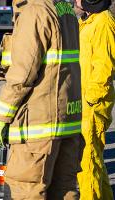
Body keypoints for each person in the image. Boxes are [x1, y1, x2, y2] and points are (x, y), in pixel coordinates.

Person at [0, 0, 83, 199]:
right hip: (67, 122)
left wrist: (0, 119)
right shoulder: (66, 10)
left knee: (26, 190)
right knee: (64, 191)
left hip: (38, 128)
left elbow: (22, 75)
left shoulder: (35, 12)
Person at [75, 0, 115, 199]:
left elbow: (104, 67)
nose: (75, 1)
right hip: (86, 103)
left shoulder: (103, 22)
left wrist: (91, 100)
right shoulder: (88, 22)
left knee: (87, 163)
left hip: (92, 106)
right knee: (96, 164)